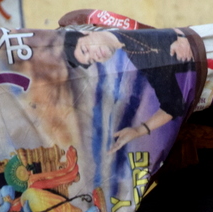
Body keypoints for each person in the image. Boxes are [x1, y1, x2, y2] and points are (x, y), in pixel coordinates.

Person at [62, 29, 195, 151]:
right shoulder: (141, 60)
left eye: (85, 49)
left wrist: (182, 35)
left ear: (86, 32)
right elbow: (173, 106)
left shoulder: (119, 21)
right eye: (91, 60)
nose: (95, 56)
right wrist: (138, 131)